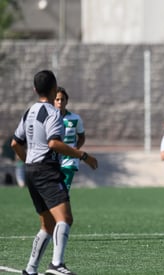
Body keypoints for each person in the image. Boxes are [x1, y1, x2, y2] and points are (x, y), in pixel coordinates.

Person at [11, 70, 98, 275]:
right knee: (65, 218)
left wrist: (29, 163)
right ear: (53, 88)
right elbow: (54, 143)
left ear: (35, 89)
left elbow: (15, 143)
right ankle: (56, 264)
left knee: (48, 224)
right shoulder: (52, 113)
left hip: (32, 170)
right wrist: (83, 155)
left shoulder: (29, 111)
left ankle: (31, 269)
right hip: (46, 170)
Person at [54, 86, 85, 190]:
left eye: (62, 99)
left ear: (66, 101)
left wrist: (76, 148)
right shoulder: (48, 118)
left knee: (63, 192)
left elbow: (82, 137)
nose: (60, 102)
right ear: (53, 101)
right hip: (52, 161)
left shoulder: (75, 119)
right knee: (53, 194)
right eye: (57, 99)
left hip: (69, 161)